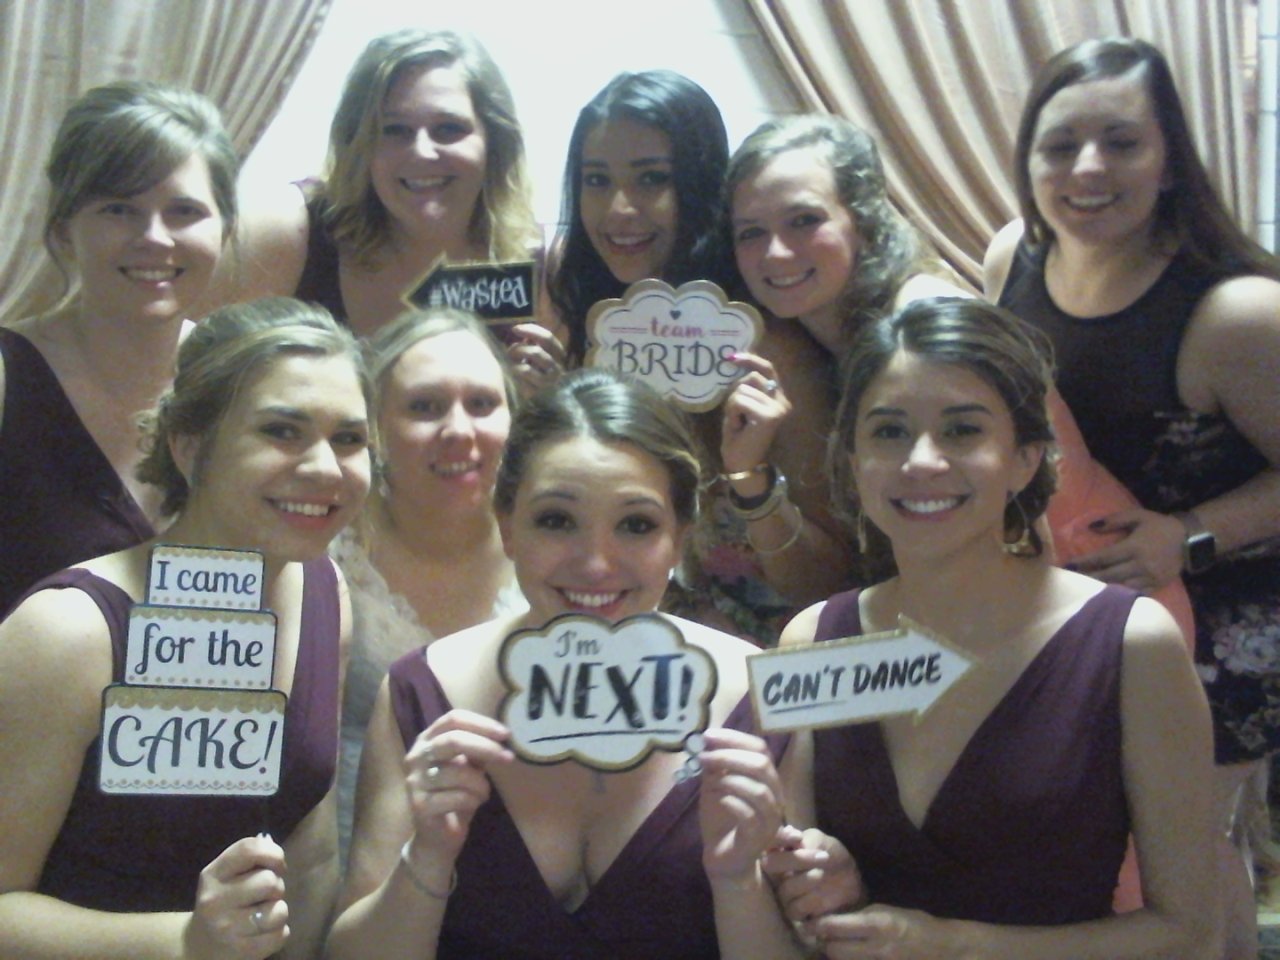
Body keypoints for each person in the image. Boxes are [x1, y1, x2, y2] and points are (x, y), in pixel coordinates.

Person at [769, 297, 1216, 958]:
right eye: (889, 431)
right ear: (853, 460)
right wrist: (813, 885)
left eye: (962, 430)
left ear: (1025, 458)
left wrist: (953, 945)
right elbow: (789, 908)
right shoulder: (814, 640)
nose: (922, 460)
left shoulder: (1129, 643)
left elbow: (1191, 934)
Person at [327, 368, 805, 960]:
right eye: (556, 520)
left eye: (636, 525)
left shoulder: (757, 700)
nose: (596, 563)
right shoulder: (418, 694)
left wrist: (738, 883)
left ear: (680, 538)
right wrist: (424, 859)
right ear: (507, 527)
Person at [984, 36, 1280, 956]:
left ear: (1170, 161)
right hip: (1087, 596)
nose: (1087, 168)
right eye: (1060, 144)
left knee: (1179, 851)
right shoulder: (1011, 261)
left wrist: (1187, 536)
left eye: (1120, 142)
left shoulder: (1234, 313)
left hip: (1228, 614)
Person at [720, 112, 1194, 652]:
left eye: (804, 220)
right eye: (751, 232)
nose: (776, 252)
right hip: (991, 605)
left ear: (864, 220)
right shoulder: (815, 338)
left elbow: (1025, 513)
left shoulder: (925, 315)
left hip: (1088, 588)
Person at [0, 298, 372, 959]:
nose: (325, 467)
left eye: (348, 439)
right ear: (190, 446)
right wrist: (182, 941)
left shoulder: (325, 592)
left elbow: (312, 855)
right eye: (282, 431)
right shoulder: (68, 633)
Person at [0, 80, 237, 615]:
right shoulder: (8, 377)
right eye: (118, 209)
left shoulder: (246, 381)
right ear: (64, 230)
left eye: (184, 211)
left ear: (226, 229)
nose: (154, 236)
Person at [332, 306, 527, 857]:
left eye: (482, 404)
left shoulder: (556, 548)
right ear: (374, 427)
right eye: (424, 407)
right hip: (354, 858)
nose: (459, 430)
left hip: (520, 859)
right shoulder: (325, 554)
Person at [209, 28, 543, 342]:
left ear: (496, 142)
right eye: (394, 130)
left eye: (448, 128)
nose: (422, 151)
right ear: (358, 144)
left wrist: (540, 380)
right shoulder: (290, 233)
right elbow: (187, 352)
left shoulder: (536, 264)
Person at [546, 69, 739, 367]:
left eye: (651, 178)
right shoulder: (572, 296)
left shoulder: (759, 343)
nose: (618, 209)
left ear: (703, 185)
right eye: (597, 180)